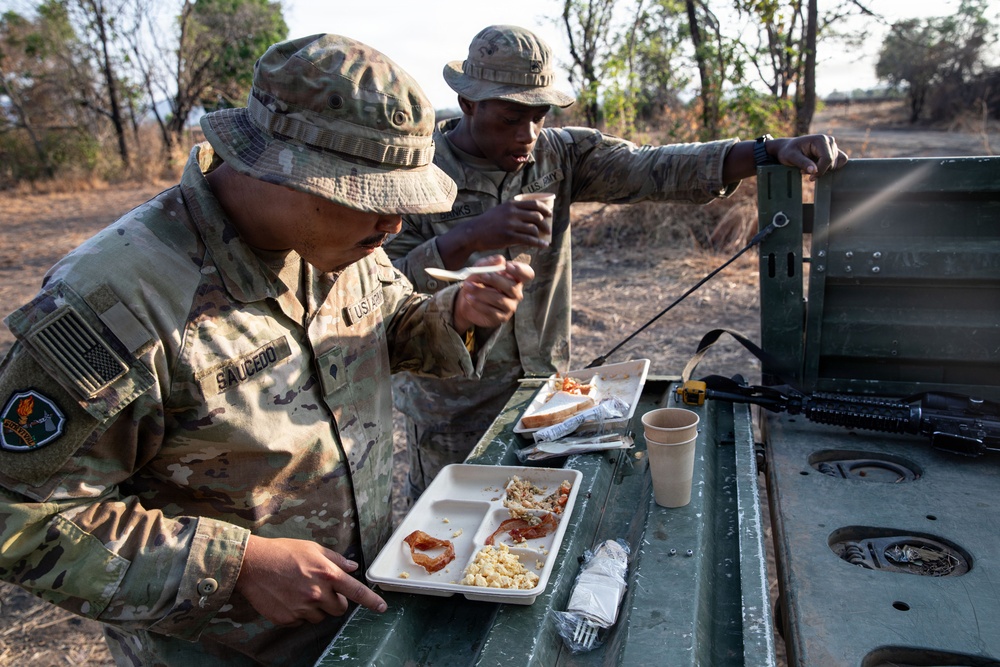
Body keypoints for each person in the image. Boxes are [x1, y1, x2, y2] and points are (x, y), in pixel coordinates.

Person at [0, 33, 532, 666]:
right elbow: (19, 517)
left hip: (364, 615)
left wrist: (456, 314)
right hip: (226, 649)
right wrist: (236, 565)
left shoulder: (347, 244)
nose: (394, 226)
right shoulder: (116, 300)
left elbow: (388, 330)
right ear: (277, 165)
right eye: (372, 198)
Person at [386, 24, 849, 499]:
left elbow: (653, 167)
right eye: (509, 118)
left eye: (538, 116)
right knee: (450, 528)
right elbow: (381, 289)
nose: (527, 134)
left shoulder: (558, 156)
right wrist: (467, 236)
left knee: (530, 522)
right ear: (468, 104)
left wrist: (765, 151)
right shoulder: (415, 172)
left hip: (544, 394)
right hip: (452, 411)